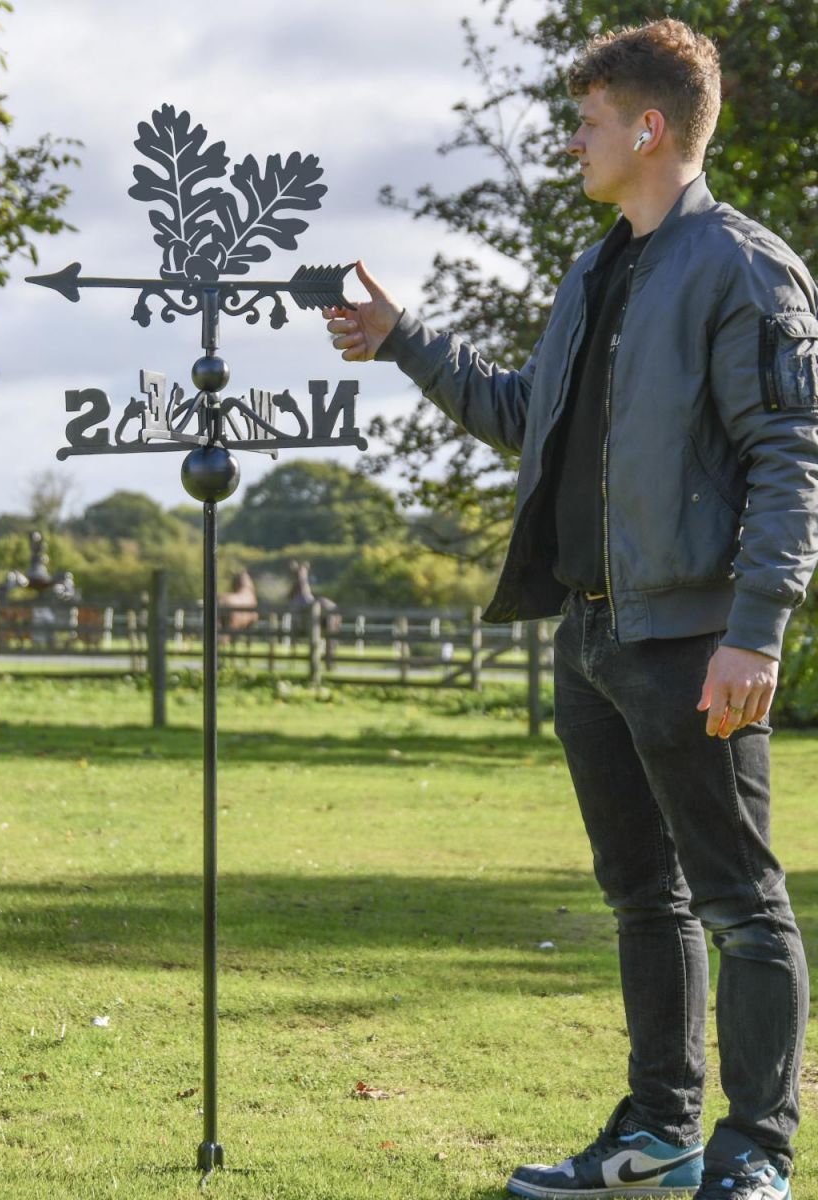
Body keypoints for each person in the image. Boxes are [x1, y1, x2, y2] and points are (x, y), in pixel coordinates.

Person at [324, 18, 818, 1200]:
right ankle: (660, 1131)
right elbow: (522, 416)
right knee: (642, 900)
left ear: (649, 128)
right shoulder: (597, 269)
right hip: (591, 638)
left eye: (588, 121)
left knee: (741, 903)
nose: (572, 140)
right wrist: (401, 344)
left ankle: (756, 1153)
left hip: (695, 640)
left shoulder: (749, 270)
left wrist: (755, 632)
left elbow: (793, 458)